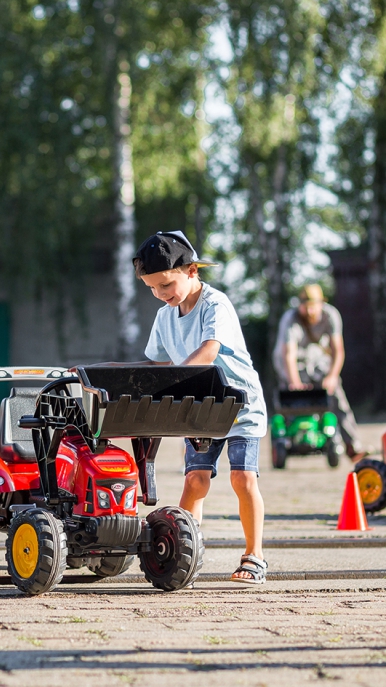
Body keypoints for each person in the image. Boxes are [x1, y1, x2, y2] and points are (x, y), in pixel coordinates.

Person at [134, 230, 269, 584]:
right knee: (195, 480)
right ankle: (184, 556)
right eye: (152, 288)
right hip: (200, 409)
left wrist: (175, 383)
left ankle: (254, 557)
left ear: (191, 270)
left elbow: (209, 351)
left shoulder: (215, 304)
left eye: (165, 284)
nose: (160, 294)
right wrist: (111, 374)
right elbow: (155, 365)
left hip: (239, 406)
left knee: (243, 477)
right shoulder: (165, 316)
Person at [273, 284, 364, 461]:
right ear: (299, 305)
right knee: (291, 400)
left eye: (313, 306)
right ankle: (290, 436)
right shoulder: (290, 319)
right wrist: (295, 382)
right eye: (305, 306)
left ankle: (352, 446)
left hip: (317, 362)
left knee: (337, 395)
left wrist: (331, 377)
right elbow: (288, 355)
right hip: (291, 364)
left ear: (322, 303)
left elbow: (338, 350)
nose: (309, 311)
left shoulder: (331, 316)